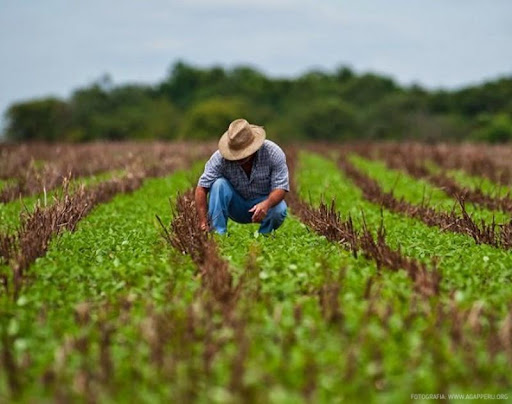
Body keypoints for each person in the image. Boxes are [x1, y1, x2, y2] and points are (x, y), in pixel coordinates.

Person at [195, 118, 289, 235]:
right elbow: (201, 188)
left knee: (279, 209)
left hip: (264, 203)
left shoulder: (273, 153)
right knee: (219, 184)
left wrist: (266, 204)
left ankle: (264, 236)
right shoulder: (219, 158)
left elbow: (281, 187)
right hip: (236, 205)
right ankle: (218, 235)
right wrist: (203, 222)